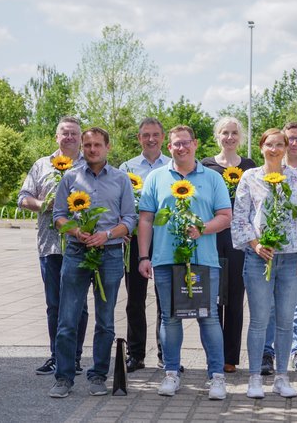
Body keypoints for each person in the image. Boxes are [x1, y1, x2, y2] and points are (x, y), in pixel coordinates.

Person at [137, 125, 232, 399]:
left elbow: (225, 216)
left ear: (196, 144)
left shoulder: (212, 178)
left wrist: (203, 227)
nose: (181, 148)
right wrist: (144, 256)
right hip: (166, 259)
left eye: (185, 143)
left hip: (204, 261)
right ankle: (171, 372)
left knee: (209, 318)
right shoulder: (156, 178)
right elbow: (145, 219)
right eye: (176, 144)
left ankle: (216, 376)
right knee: (170, 318)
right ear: (169, 147)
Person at [49, 127, 137, 398]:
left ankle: (98, 375)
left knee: (106, 321)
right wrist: (75, 231)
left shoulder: (121, 180)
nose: (92, 149)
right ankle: (63, 377)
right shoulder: (71, 178)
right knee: (67, 319)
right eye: (87, 145)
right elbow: (59, 215)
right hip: (77, 251)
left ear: (107, 147)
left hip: (109, 254)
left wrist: (107, 235)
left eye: (97, 145)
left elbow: (130, 220)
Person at [232, 128, 297, 399]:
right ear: (261, 147)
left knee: (285, 320)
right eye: (269, 144)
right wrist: (255, 244)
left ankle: (282, 377)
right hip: (259, 259)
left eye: (280, 144)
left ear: (286, 147)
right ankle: (255, 377)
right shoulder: (250, 177)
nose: (275, 149)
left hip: (291, 258)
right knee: (259, 320)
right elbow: (240, 217)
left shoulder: (296, 178)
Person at [18, 116, 88, 377]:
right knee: (54, 304)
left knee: (79, 305)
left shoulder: (89, 165)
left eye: (74, 133)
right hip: (49, 247)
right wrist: (43, 204)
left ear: (81, 138)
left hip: (80, 244)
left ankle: (76, 357)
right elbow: (23, 198)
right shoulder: (41, 165)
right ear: (56, 137)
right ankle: (56, 356)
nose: (69, 137)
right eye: (64, 133)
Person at [201, 116, 256, 374]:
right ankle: (213, 353)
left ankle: (230, 357)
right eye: (225, 132)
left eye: (234, 133)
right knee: (212, 297)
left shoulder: (249, 166)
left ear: (240, 137)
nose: (230, 137)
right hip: (212, 236)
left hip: (239, 240)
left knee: (235, 296)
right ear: (218, 136)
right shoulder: (206, 165)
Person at [119, 118, 171, 373]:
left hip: (165, 241)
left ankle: (166, 354)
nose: (151, 139)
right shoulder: (126, 168)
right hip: (134, 242)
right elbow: (117, 204)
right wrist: (123, 227)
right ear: (139, 138)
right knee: (135, 300)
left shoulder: (174, 167)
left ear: (163, 138)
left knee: (166, 299)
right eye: (146, 135)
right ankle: (136, 354)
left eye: (156, 135)